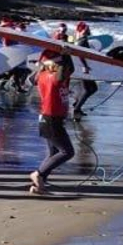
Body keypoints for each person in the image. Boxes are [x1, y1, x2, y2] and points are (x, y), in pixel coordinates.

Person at [29, 49, 75, 194]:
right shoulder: (50, 77)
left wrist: (68, 54)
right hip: (51, 119)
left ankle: (39, 184)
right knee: (67, 152)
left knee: (53, 152)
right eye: (59, 63)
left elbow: (69, 68)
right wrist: (66, 54)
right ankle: (39, 174)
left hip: (49, 119)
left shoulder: (49, 75)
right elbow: (63, 70)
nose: (64, 67)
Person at [70, 22, 101, 118]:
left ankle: (77, 106)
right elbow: (80, 54)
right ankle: (77, 108)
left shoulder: (80, 39)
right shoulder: (82, 41)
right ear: (81, 30)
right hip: (83, 69)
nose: (87, 30)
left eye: (87, 29)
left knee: (89, 89)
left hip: (81, 68)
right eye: (85, 29)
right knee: (91, 89)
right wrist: (85, 66)